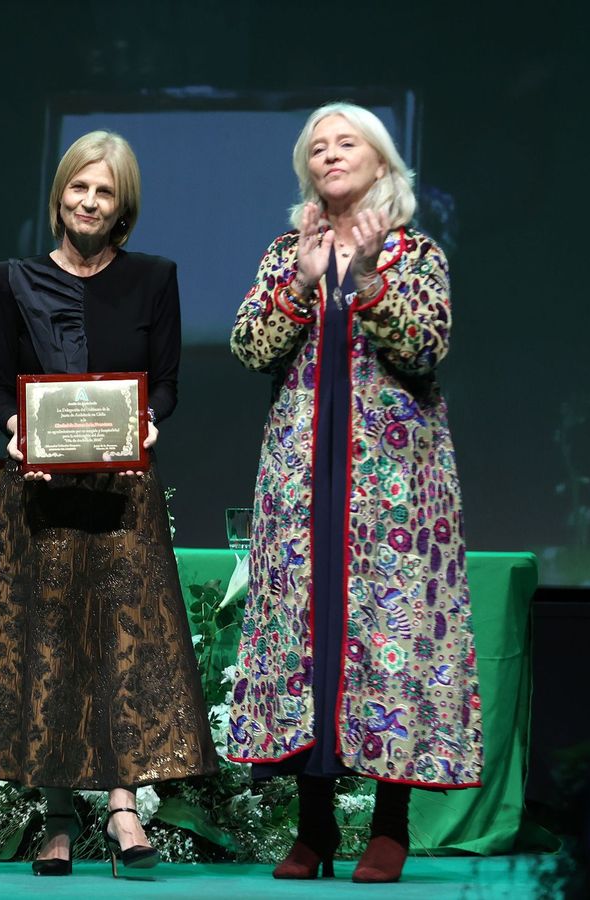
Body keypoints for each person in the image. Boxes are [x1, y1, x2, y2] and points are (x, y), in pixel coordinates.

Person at [0, 130, 218, 878]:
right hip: (41, 495)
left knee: (122, 649)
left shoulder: (154, 278)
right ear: (59, 194)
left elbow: (166, 383)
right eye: (78, 188)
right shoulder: (13, 280)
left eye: (105, 192)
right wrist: (17, 433)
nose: (89, 203)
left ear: (122, 205)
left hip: (122, 493)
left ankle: (123, 804)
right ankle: (58, 817)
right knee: (52, 643)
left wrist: (152, 419)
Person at [228, 102, 478, 884]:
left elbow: (424, 343)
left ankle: (390, 826)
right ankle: (313, 829)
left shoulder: (415, 253)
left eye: (348, 143)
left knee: (391, 635)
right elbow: (248, 348)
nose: (331, 155)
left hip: (393, 488)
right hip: (302, 481)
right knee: (309, 634)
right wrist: (302, 285)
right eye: (319, 147)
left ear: (381, 163)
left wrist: (366, 280)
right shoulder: (286, 253)